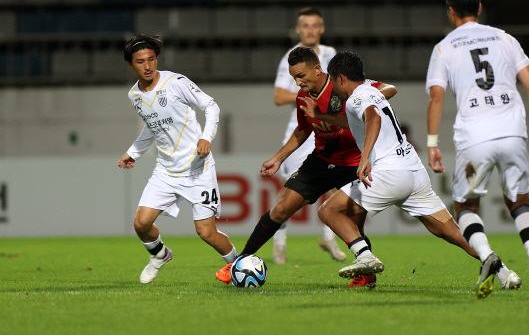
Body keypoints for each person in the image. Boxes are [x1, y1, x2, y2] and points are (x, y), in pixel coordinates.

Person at [315, 51, 500, 299]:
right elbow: (365, 116)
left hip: (389, 173)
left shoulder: (356, 98)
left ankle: (365, 257)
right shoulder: (371, 90)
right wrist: (321, 117)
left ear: (339, 78)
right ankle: (503, 271)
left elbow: (372, 118)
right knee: (449, 230)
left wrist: (365, 156)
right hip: (414, 172)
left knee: (328, 210)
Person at [215, 47, 396, 288]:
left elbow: (389, 89)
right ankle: (239, 261)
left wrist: (366, 98)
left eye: (301, 76)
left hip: (352, 164)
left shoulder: (343, 87)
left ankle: (367, 274)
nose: (298, 83)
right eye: (294, 78)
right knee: (280, 210)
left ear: (317, 69)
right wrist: (278, 158)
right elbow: (303, 130)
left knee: (355, 224)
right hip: (320, 161)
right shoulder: (303, 97)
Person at [426, 0, 529, 299]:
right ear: (479, 8)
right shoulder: (505, 39)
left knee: (466, 206)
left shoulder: (444, 48)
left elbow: (436, 98)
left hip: (474, 137)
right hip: (512, 131)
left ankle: (486, 255)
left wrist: (431, 142)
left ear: (451, 11)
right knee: (520, 203)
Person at [117, 35, 238, 284]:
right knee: (141, 223)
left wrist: (206, 137)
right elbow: (151, 127)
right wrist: (133, 152)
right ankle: (160, 254)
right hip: (167, 171)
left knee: (206, 233)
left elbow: (211, 106)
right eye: (141, 61)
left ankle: (238, 265)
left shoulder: (176, 82)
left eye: (151, 59)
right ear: (131, 65)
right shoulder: (134, 96)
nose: (148, 65)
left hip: (198, 169)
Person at [271, 7, 344, 264]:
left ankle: (329, 236)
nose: (311, 30)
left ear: (321, 29)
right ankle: (279, 243)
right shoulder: (289, 59)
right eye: (306, 26)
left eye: (315, 26)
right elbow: (279, 96)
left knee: (339, 180)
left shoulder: (331, 54)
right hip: (303, 127)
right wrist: (310, 92)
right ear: (298, 30)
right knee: (291, 186)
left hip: (330, 126)